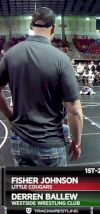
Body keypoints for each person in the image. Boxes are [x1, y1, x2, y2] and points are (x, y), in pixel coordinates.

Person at [0, 7, 83, 166]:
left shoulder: (11, 54)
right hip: (50, 144)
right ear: (53, 29)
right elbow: (75, 111)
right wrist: (77, 143)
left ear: (31, 27)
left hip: (19, 141)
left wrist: (11, 116)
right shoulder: (61, 59)